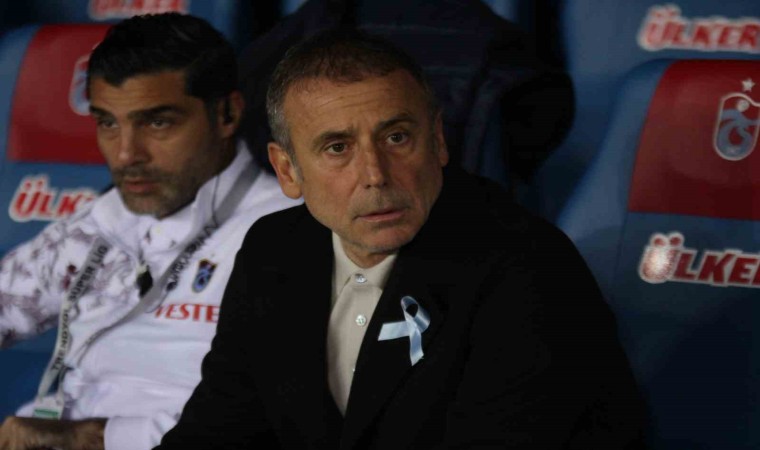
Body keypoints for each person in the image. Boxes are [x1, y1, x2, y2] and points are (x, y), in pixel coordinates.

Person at [156, 29, 647, 449]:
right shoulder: (273, 250)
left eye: (396, 138)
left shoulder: (530, 268)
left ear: (437, 141)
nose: (375, 175)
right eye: (337, 147)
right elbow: (217, 429)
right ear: (287, 170)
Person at [0, 13, 298, 450]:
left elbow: (268, 419)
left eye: (157, 123)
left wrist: (86, 438)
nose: (126, 154)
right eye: (108, 123)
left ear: (227, 113)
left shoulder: (289, 230)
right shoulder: (103, 218)